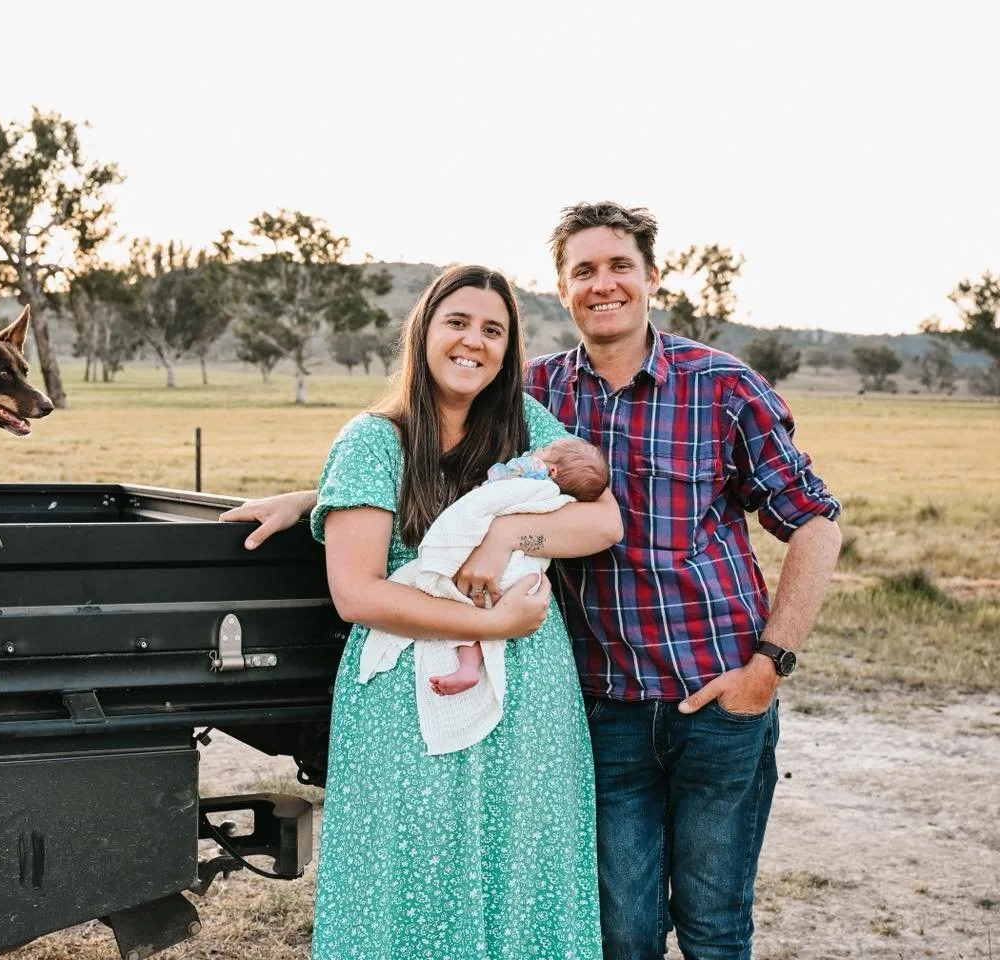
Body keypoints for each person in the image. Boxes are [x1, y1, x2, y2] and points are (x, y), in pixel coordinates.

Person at [220, 203, 843, 960]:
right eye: (584, 270)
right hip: (603, 702)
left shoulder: (709, 387)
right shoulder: (536, 393)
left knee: (713, 925)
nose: (603, 284)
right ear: (563, 286)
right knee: (620, 929)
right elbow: (420, 471)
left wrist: (768, 666)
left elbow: (806, 521)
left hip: (712, 691)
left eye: (619, 267)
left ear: (651, 277)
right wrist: (313, 498)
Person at [297, 264, 621, 959]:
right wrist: (489, 625)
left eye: (493, 330)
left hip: (529, 695)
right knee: (411, 868)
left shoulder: (526, 427)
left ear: (508, 350)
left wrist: (508, 535)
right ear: (424, 332)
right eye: (458, 322)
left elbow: (603, 524)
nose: (473, 341)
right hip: (404, 701)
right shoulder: (373, 440)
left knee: (522, 866)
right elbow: (356, 593)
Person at [423, 437, 611, 699]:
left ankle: (468, 666)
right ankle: (469, 666)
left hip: (507, 569)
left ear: (552, 471)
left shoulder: (532, 476)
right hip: (522, 575)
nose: (537, 450)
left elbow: (496, 480)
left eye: (544, 451)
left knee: (465, 607)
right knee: (479, 613)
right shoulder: (559, 495)